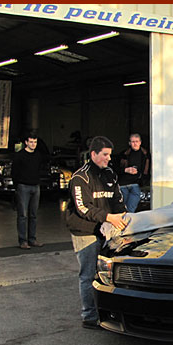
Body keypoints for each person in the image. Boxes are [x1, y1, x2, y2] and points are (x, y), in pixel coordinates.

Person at [66, 136, 127, 329]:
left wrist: (123, 216)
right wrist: (109, 217)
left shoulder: (110, 174)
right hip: (85, 232)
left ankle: (107, 311)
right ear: (93, 154)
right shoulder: (80, 178)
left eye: (110, 154)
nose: (109, 158)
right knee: (88, 274)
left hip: (106, 230)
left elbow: (118, 200)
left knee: (107, 274)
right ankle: (89, 316)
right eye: (105, 155)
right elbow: (82, 208)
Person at [12, 132, 45, 249]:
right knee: (23, 215)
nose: (33, 144)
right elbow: (14, 172)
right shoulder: (19, 155)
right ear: (26, 142)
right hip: (23, 187)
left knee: (33, 215)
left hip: (35, 186)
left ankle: (32, 239)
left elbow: (40, 168)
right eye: (31, 142)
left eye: (35, 142)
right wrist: (17, 185)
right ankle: (22, 241)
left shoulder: (38, 155)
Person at [117, 133, 150, 213]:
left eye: (136, 141)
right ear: (129, 143)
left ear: (140, 142)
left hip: (136, 184)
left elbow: (148, 170)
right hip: (123, 185)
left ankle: (128, 224)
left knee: (131, 210)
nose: (135, 143)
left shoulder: (146, 155)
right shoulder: (124, 154)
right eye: (132, 142)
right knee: (121, 210)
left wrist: (143, 179)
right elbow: (115, 168)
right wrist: (126, 170)